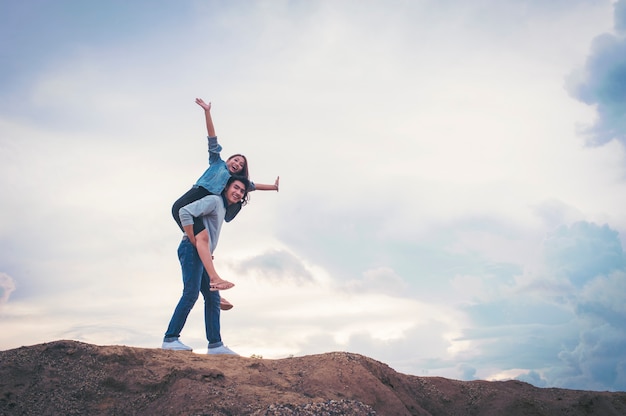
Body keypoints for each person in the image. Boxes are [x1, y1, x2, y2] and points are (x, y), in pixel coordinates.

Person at [172, 98, 279, 308]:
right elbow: (212, 137)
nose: (237, 164)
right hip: (188, 201)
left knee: (204, 246)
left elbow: (253, 185)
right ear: (228, 159)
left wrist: (273, 187)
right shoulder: (217, 162)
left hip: (196, 210)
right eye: (235, 160)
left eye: (240, 165)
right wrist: (207, 112)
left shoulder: (230, 184)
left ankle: (213, 291)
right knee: (201, 240)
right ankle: (214, 280)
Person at [162, 175, 251, 354]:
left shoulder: (222, 208)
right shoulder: (214, 200)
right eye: (236, 187)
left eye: (242, 191)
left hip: (201, 254)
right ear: (226, 187)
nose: (238, 193)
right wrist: (195, 242)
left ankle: (215, 345)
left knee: (213, 298)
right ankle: (170, 339)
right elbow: (184, 212)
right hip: (190, 249)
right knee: (190, 293)